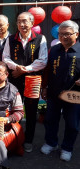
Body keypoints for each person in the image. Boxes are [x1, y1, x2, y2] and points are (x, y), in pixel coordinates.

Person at [3, 12, 48, 153]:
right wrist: (16, 67)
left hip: (32, 81)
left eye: (25, 21)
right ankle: (12, 138)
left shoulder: (40, 39)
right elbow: (5, 58)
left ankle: (28, 140)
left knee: (31, 110)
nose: (22, 25)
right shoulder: (10, 39)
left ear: (32, 23)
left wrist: (24, 70)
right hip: (14, 80)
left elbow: (43, 61)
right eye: (19, 22)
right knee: (12, 109)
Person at [40, 20, 80, 162]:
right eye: (61, 34)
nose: (63, 37)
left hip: (74, 94)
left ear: (76, 34)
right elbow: (47, 71)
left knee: (72, 124)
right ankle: (51, 143)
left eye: (67, 34)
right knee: (50, 119)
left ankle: (67, 148)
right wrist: (44, 87)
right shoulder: (54, 50)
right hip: (53, 92)